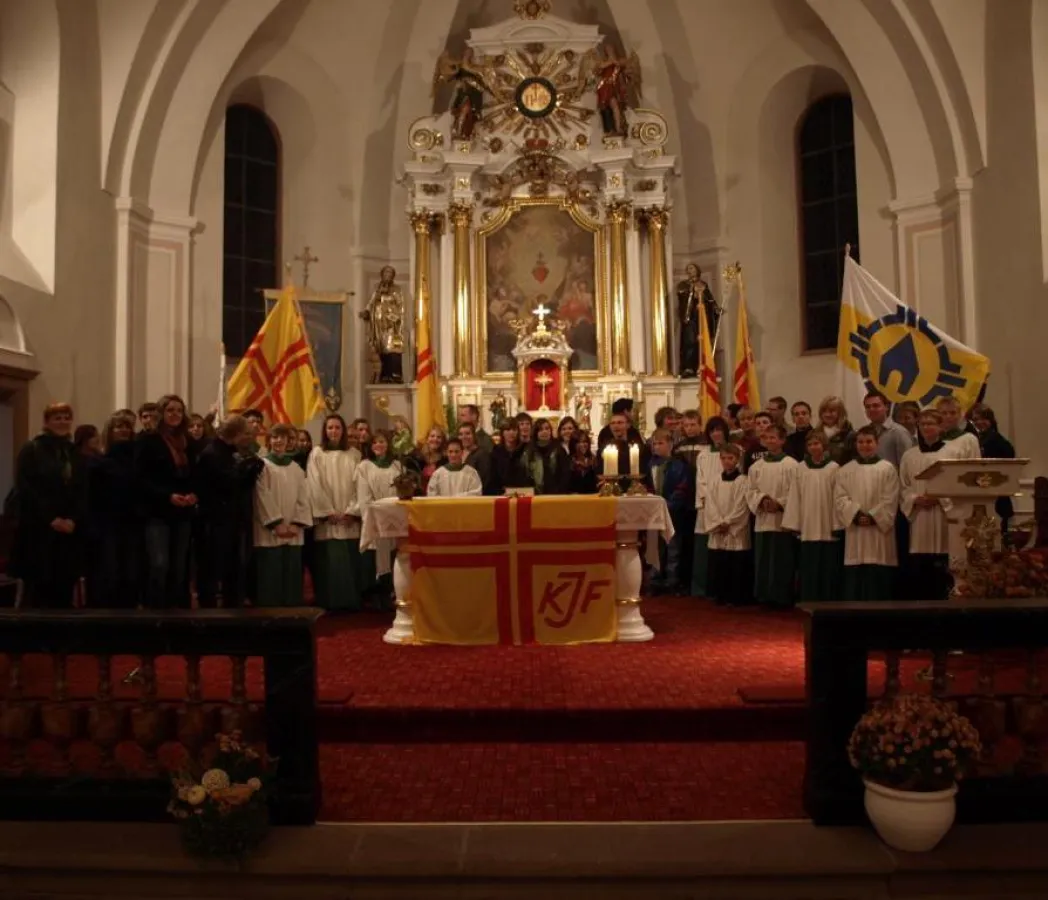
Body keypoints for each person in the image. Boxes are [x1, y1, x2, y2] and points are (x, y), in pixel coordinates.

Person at [10, 402, 85, 608]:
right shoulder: (32, 449)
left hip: (68, 532)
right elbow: (26, 488)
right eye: (57, 418)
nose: (62, 422)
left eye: (66, 418)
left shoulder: (73, 452)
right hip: (39, 530)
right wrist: (51, 518)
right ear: (47, 422)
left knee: (64, 589)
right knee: (38, 590)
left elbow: (82, 489)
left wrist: (73, 519)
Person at [134, 394, 199, 609]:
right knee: (159, 563)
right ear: (161, 413)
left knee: (179, 567)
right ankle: (155, 611)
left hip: (183, 512)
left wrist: (194, 493)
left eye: (179, 410)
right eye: (170, 410)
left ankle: (176, 613)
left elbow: (195, 474)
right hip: (158, 510)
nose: (175, 414)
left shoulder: (187, 441)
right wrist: (167, 496)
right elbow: (140, 478)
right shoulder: (148, 440)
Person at [194, 414, 260, 608]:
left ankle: (232, 604)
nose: (249, 437)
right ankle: (209, 609)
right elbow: (225, 484)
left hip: (230, 517)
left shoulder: (228, 451)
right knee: (213, 566)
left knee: (232, 565)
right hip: (215, 519)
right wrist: (246, 471)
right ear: (236, 434)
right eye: (246, 433)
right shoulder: (212, 453)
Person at [834, 425, 900, 601]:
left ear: (877, 443)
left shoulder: (887, 469)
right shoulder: (846, 470)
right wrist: (855, 515)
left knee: (878, 570)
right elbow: (840, 497)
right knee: (856, 568)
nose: (865, 445)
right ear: (856, 444)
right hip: (855, 530)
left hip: (879, 531)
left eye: (869, 441)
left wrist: (873, 516)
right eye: (861, 442)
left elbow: (891, 498)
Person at [307, 414, 364, 612]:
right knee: (329, 563)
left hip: (349, 519)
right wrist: (327, 511)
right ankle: (329, 602)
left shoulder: (354, 454)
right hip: (328, 519)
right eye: (330, 427)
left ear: (343, 430)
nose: (334, 431)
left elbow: (360, 485)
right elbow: (314, 484)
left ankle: (350, 602)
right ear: (324, 431)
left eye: (337, 427)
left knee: (349, 561)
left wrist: (352, 511)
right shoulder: (317, 454)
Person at [252, 424, 312, 607]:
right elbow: (261, 496)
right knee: (270, 575)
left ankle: (292, 612)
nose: (279, 441)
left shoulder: (296, 469)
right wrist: (276, 523)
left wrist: (296, 524)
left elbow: (303, 497)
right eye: (275, 437)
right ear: (268, 440)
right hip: (270, 531)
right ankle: (270, 612)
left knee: (291, 575)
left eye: (282, 437)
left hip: (292, 531)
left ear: (288, 441)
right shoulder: (262, 466)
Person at [782, 429, 842, 603]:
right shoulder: (801, 468)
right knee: (809, 565)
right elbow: (795, 496)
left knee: (828, 566)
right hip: (808, 526)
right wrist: (795, 524)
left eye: (817, 443)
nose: (813, 447)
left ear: (824, 445)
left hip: (827, 525)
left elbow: (839, 498)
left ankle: (828, 601)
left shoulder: (834, 468)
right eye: (810, 444)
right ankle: (809, 600)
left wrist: (837, 524)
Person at [899, 410, 953, 601]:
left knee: (942, 561)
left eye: (931, 423)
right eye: (923, 424)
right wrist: (914, 499)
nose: (926, 427)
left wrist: (940, 498)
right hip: (919, 515)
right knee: (920, 566)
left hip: (942, 514)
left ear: (940, 427)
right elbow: (903, 486)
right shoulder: (909, 456)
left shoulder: (952, 453)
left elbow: (957, 484)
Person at [90, 411, 141, 608]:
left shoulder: (138, 459)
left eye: (127, 427)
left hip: (132, 521)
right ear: (110, 431)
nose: (124, 430)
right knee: (111, 570)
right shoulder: (100, 461)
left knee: (131, 571)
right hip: (108, 522)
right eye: (119, 427)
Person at [746, 424, 799, 608]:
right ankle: (764, 596)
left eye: (773, 438)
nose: (769, 441)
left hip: (783, 520)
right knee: (763, 559)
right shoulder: (756, 466)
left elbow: (796, 492)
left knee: (781, 559)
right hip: (763, 519)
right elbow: (750, 490)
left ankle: (781, 597)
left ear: (782, 440)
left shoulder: (792, 465)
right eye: (766, 438)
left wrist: (780, 503)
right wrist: (762, 499)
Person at [356, 430, 404, 609]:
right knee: (374, 557)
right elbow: (363, 495)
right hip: (374, 518)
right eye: (375, 442)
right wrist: (372, 516)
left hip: (392, 518)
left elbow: (401, 492)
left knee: (392, 555)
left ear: (388, 444)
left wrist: (393, 513)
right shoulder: (364, 466)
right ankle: (374, 595)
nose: (378, 445)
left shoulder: (397, 466)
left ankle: (389, 592)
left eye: (382, 441)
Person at [704, 443, 753, 607]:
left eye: (730, 458)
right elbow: (710, 504)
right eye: (723, 458)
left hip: (735, 529)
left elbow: (742, 505)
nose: (726, 461)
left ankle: (736, 596)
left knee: (736, 563)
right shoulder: (715, 480)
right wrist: (718, 522)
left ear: (737, 459)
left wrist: (728, 522)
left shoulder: (743, 481)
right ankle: (720, 594)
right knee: (719, 562)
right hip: (719, 527)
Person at [692, 415, 731, 597]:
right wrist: (708, 501)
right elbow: (700, 481)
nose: (716, 434)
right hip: (707, 505)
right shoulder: (703, 455)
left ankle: (722, 588)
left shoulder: (735, 451)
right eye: (712, 430)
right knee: (703, 547)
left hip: (727, 505)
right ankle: (702, 587)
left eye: (719, 430)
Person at [648, 428, 690, 595]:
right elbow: (648, 486)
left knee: (673, 549)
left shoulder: (679, 466)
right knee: (655, 549)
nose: (657, 446)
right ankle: (655, 580)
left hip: (673, 513)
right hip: (654, 513)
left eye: (661, 443)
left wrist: (668, 506)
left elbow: (682, 488)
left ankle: (672, 581)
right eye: (655, 443)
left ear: (670, 444)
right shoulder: (651, 465)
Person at [970, 404, 1016, 534]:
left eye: (983, 419)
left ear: (991, 420)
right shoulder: (977, 439)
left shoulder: (997, 439)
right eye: (976, 419)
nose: (979, 422)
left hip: (996, 490)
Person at [863, 390, 913, 468]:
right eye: (868, 407)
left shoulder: (899, 432)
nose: (871, 409)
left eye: (876, 406)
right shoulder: (864, 433)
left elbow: (908, 464)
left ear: (886, 407)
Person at [522, 417, 571, 495]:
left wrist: (559, 491)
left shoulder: (559, 449)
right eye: (541, 429)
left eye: (547, 428)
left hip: (557, 494)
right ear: (536, 432)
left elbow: (565, 474)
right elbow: (526, 474)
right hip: (535, 494)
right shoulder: (529, 450)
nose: (544, 432)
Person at [490, 420, 529, 494]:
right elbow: (493, 475)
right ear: (502, 433)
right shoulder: (496, 451)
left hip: (524, 491)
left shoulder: (525, 449)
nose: (511, 432)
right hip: (502, 492)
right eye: (508, 430)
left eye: (514, 430)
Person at [817, 396, 856, 465]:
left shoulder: (849, 435)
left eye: (831, 411)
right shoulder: (815, 433)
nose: (827, 414)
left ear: (840, 413)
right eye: (824, 411)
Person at [457, 422, 492, 493]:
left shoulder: (482, 454)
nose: (464, 437)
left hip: (475, 495)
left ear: (474, 435)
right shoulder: (457, 453)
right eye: (461, 434)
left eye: (467, 433)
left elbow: (484, 480)